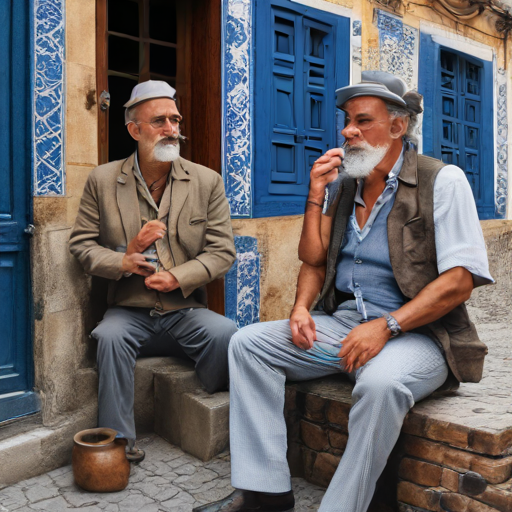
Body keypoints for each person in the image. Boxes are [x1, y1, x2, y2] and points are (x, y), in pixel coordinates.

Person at [194, 71, 492, 512]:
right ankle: (266, 492)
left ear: (397, 126)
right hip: (345, 326)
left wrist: (386, 327)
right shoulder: (347, 183)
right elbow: (313, 258)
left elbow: (460, 280)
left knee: (380, 384)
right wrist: (315, 200)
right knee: (248, 344)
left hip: (421, 336)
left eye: (362, 121)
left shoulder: (441, 181)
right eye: (347, 120)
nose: (348, 131)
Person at [69, 80, 238, 463]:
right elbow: (82, 246)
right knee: (110, 337)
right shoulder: (103, 179)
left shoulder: (207, 181)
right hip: (129, 311)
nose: (171, 129)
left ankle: (204, 394)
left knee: (226, 333)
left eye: (175, 120)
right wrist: (123, 261)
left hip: (184, 312)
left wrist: (178, 277)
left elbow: (223, 252)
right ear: (135, 130)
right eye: (159, 120)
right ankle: (117, 444)